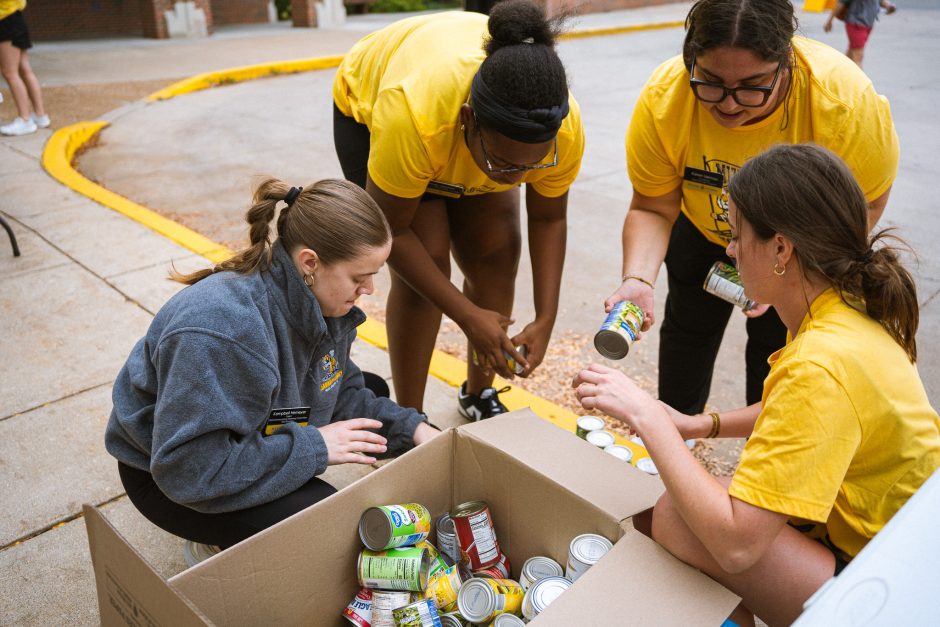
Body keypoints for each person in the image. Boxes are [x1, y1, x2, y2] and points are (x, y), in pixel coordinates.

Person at [576, 144, 940, 626]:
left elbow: (737, 546)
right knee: (703, 501)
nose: (729, 250)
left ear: (782, 249)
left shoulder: (819, 366)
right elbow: (796, 413)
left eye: (736, 234)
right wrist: (697, 425)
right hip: (904, 534)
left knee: (679, 520)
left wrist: (647, 417)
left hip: (900, 582)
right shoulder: (842, 305)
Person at [105, 178, 440, 566]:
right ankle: (217, 544)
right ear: (310, 262)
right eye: (358, 276)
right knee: (327, 524)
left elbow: (342, 389)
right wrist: (316, 447)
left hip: (246, 428)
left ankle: (252, 520)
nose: (368, 289)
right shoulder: (223, 331)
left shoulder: (318, 298)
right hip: (171, 478)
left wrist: (415, 430)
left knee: (371, 389)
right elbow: (189, 471)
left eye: (375, 275)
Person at [605, 0, 899, 416]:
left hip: (795, 250)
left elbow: (866, 202)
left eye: (752, 85)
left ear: (786, 62)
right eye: (709, 81)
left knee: (776, 356)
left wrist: (800, 270)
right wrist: (637, 278)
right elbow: (653, 207)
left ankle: (760, 461)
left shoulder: (844, 103)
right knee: (686, 335)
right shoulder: (665, 97)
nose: (728, 104)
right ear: (690, 60)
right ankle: (674, 437)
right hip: (701, 231)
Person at [332, 0, 585, 420]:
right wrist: (467, 316)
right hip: (376, 105)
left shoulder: (562, 129)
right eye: (506, 164)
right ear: (469, 120)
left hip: (470, 135)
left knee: (497, 252)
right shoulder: (413, 113)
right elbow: (391, 232)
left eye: (530, 165)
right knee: (425, 268)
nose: (514, 177)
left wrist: (546, 316)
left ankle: (478, 394)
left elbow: (548, 217)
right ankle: (407, 416)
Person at [0, 0, 48, 136]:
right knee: (24, 69)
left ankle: (25, 120)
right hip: (15, 18)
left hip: (5, 20)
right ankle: (40, 116)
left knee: (10, 72)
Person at [824, 0, 897, 69]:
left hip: (868, 24)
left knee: (851, 53)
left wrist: (889, 6)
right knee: (858, 56)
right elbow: (840, 3)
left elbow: (880, 1)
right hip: (856, 24)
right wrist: (830, 21)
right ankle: (859, 82)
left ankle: (837, 74)